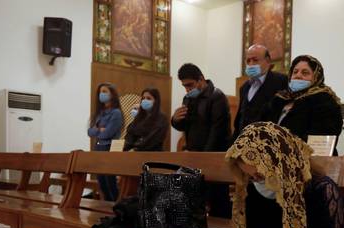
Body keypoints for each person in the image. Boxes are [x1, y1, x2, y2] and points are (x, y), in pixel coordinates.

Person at [171, 63, 232, 217]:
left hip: (213, 156)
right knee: (195, 200)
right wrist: (175, 120)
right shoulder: (188, 98)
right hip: (194, 155)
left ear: (201, 79)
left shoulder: (217, 97)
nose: (187, 90)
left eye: (190, 85)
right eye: (184, 86)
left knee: (218, 202)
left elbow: (217, 131)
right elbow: (184, 126)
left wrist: (204, 158)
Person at [263, 55, 343, 144]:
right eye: (295, 72)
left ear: (316, 77)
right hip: (274, 154)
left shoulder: (324, 101)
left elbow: (322, 136)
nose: (298, 76)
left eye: (305, 73)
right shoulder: (280, 99)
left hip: (309, 155)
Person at [232, 44, 288, 141]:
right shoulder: (244, 88)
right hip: (244, 143)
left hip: (269, 142)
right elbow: (240, 119)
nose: (251, 64)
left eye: (255, 60)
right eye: (248, 61)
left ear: (268, 61)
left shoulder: (281, 81)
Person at [88, 83, 124, 201]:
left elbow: (107, 133)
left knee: (110, 182)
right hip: (98, 148)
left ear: (112, 94)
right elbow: (89, 132)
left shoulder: (116, 113)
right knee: (101, 182)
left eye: (104, 91)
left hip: (109, 148)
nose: (101, 94)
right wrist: (99, 129)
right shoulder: (100, 113)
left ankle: (115, 206)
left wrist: (97, 130)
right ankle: (107, 207)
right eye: (100, 92)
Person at [123, 87, 168, 152]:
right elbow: (130, 134)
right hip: (133, 153)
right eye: (143, 98)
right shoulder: (139, 117)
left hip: (152, 154)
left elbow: (153, 139)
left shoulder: (161, 118)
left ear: (156, 101)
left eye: (148, 98)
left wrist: (136, 149)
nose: (145, 100)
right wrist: (126, 148)